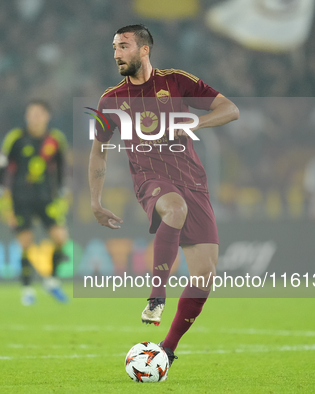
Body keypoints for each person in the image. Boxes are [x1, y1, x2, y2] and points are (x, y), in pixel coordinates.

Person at [88, 25, 239, 366]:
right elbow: (99, 150)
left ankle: (166, 351)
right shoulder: (110, 100)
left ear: (144, 50)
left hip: (193, 181)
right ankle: (157, 295)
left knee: (205, 275)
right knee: (174, 208)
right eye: (113, 47)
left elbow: (230, 109)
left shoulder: (177, 82)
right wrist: (95, 201)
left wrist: (195, 124)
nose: (115, 54)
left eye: (123, 46)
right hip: (150, 179)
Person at [0, 100, 70, 306]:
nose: (34, 118)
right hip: (21, 198)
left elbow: (61, 164)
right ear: (26, 117)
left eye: (39, 113)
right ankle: (27, 289)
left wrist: (62, 188)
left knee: (61, 238)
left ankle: (52, 281)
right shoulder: (16, 138)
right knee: (26, 242)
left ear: (47, 116)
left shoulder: (55, 140)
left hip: (47, 197)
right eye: (31, 114)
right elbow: (2, 163)